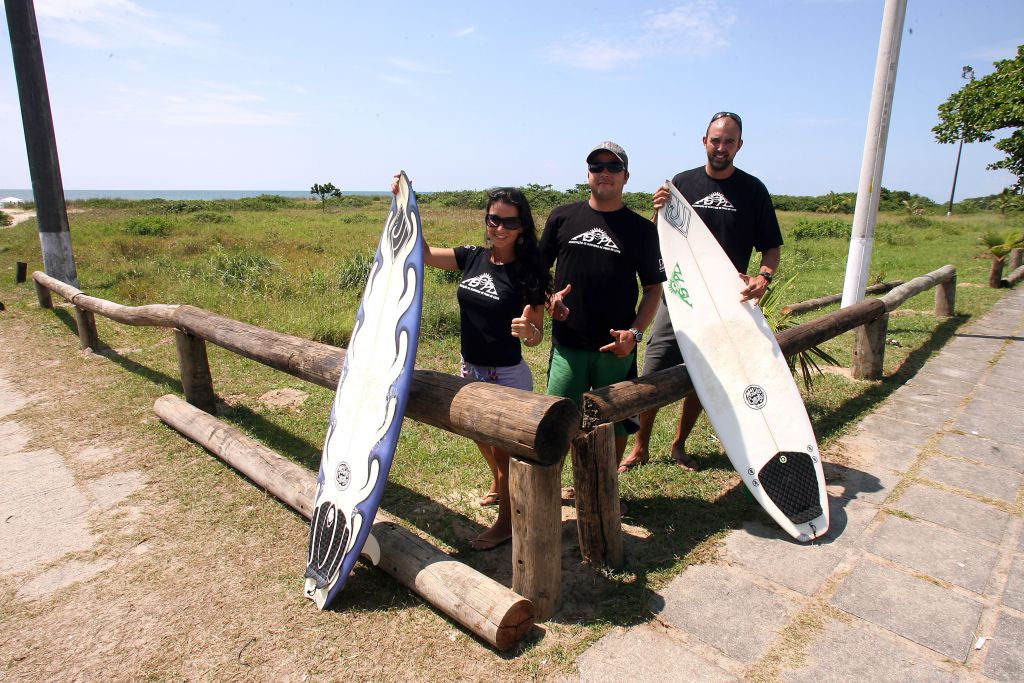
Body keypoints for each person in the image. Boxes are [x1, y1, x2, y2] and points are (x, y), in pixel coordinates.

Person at [391, 179, 551, 550]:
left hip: (505, 374)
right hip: (472, 367)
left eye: (510, 222)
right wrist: (404, 203)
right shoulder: (472, 256)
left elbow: (537, 334)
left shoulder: (527, 273)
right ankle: (498, 481)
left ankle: (507, 523)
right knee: (478, 435)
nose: (500, 228)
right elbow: (426, 254)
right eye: (494, 220)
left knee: (506, 451)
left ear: (522, 227)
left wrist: (529, 331)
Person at [618, 111, 783, 473]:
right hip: (678, 297)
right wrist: (656, 210)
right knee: (654, 368)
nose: (720, 147)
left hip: (725, 302)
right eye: (715, 139)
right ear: (703, 141)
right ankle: (640, 447)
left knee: (703, 375)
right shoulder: (682, 183)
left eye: (728, 141)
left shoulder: (753, 190)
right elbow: (656, 235)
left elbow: (771, 247)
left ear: (739, 145)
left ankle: (679, 444)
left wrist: (763, 277)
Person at [540, 141, 665, 462]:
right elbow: (537, 271)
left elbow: (653, 289)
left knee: (614, 424)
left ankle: (606, 489)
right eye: (597, 167)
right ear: (588, 174)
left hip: (616, 349)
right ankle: (561, 487)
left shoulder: (641, 230)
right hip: (568, 344)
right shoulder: (562, 217)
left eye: (613, 167)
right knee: (559, 417)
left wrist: (635, 335)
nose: (604, 173)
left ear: (626, 176)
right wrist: (548, 298)